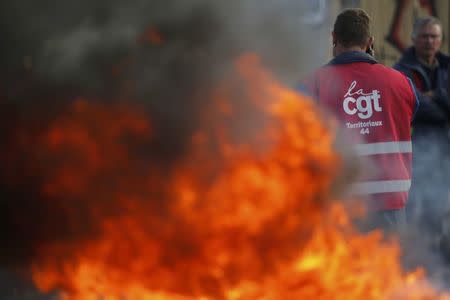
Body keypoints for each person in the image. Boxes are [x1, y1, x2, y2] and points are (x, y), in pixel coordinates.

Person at [300, 8, 418, 230]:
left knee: (342, 265)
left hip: (339, 202)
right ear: (370, 41)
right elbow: (412, 116)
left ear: (334, 38)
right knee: (388, 265)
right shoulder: (401, 82)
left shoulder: (311, 85)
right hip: (390, 201)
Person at [393, 17, 450, 232]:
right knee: (422, 211)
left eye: (434, 36)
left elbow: (423, 102)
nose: (429, 41)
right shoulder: (401, 70)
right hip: (420, 152)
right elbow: (416, 107)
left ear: (441, 39)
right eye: (424, 36)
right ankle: (425, 258)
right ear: (414, 38)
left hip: (447, 150)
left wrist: (436, 95)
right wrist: (444, 105)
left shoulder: (447, 66)